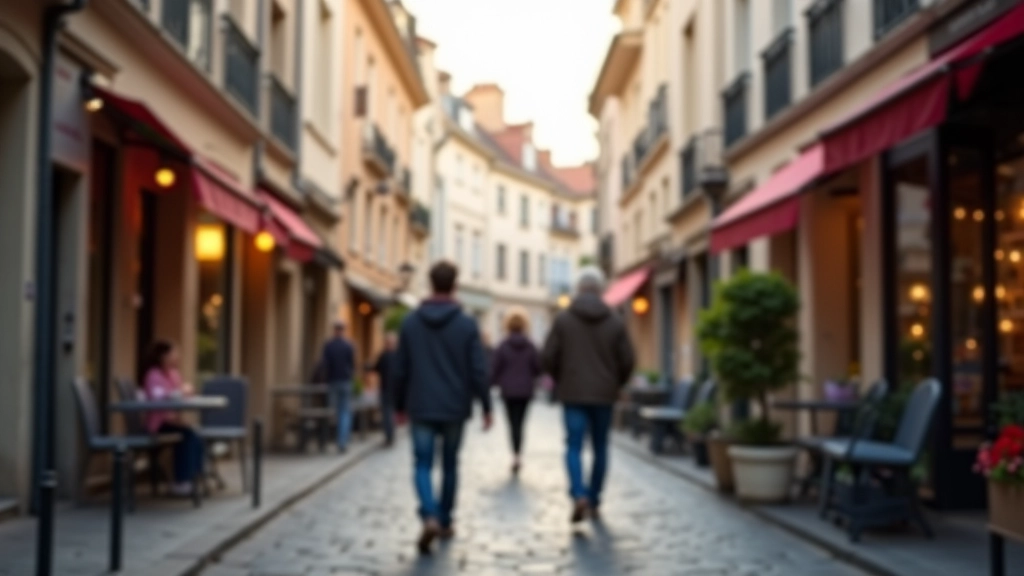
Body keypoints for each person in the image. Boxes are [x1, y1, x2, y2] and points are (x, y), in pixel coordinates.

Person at [394, 261, 492, 554]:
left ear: (430, 284)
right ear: (455, 286)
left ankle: (429, 514)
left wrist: (399, 406)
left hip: (421, 405)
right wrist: (486, 406)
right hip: (454, 407)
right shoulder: (466, 324)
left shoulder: (411, 323)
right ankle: (446, 520)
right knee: (450, 464)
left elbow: (400, 370)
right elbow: (478, 369)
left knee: (422, 463)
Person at [542, 266, 635, 523]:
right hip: (604, 394)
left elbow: (547, 357)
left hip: (572, 393)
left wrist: (562, 378)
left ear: (578, 289)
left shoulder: (563, 320)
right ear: (600, 288)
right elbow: (628, 360)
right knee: (600, 447)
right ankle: (594, 498)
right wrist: (617, 382)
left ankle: (578, 493)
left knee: (573, 446)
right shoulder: (615, 320)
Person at [142, 340, 204, 497]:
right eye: (173, 353)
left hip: (171, 421)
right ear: (162, 356)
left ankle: (195, 478)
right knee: (188, 435)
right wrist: (180, 393)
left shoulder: (173, 374)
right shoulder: (153, 375)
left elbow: (182, 392)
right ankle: (182, 481)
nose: (177, 357)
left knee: (195, 434)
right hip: (157, 425)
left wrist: (185, 390)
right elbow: (158, 399)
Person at [490, 310, 541, 475]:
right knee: (521, 423)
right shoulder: (531, 345)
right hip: (525, 390)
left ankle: (515, 454)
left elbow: (495, 369)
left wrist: (496, 382)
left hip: (508, 391)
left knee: (512, 424)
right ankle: (518, 455)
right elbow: (538, 368)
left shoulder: (503, 345)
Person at [321, 321, 355, 453]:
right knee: (344, 412)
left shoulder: (329, 345)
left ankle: (330, 439)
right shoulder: (348, 346)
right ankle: (342, 441)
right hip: (345, 381)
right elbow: (352, 365)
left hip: (333, 381)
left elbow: (324, 365)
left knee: (332, 411)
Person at [371, 332, 399, 447]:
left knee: (387, 413)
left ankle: (389, 436)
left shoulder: (384, 355)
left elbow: (375, 368)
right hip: (394, 390)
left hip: (386, 389)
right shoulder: (398, 356)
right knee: (390, 413)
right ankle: (391, 435)